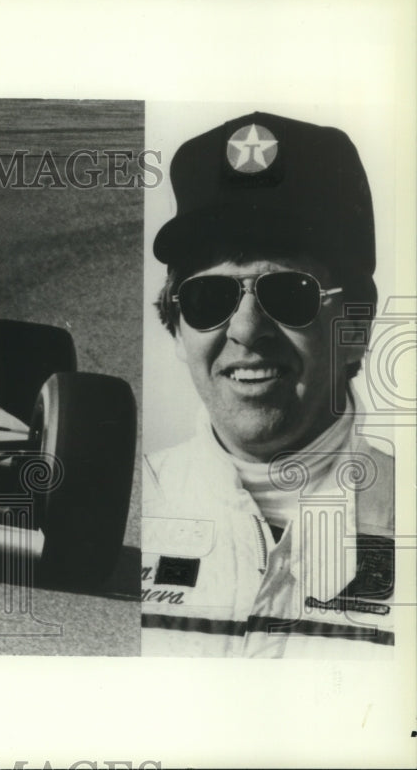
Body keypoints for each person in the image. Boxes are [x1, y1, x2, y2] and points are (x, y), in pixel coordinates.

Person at [142, 111, 395, 658]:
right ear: (176, 327)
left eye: (289, 294)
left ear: (355, 327)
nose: (246, 332)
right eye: (209, 298)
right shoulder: (121, 510)